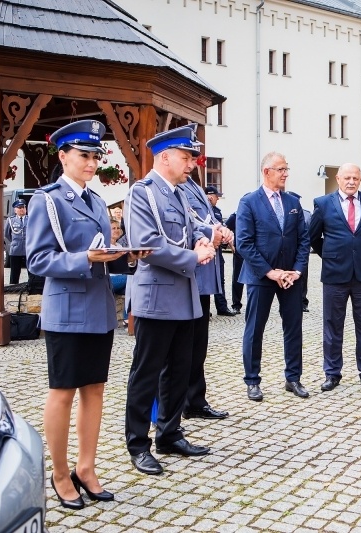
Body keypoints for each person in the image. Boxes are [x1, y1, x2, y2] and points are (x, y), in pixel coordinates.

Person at [26, 120, 142, 509]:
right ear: (63, 156)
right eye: (84, 156)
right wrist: (85, 258)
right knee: (62, 393)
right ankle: (59, 474)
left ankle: (86, 468)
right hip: (67, 308)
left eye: (96, 156)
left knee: (94, 390)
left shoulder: (95, 200)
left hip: (97, 307)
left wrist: (124, 253)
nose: (91, 163)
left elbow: (99, 250)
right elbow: (38, 259)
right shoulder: (48, 200)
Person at [124, 123, 217, 476]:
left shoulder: (179, 193)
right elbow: (147, 243)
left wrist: (206, 241)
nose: (191, 163)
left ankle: (169, 432)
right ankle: (137, 443)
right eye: (185, 156)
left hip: (185, 296)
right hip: (158, 297)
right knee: (146, 373)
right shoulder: (142, 193)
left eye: (191, 157)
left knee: (180, 369)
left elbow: (193, 230)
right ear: (165, 157)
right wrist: (194, 257)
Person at [237, 152, 310, 401]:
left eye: (287, 169)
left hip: (290, 278)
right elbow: (244, 244)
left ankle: (293, 378)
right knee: (255, 329)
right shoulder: (249, 202)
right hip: (261, 277)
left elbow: (303, 240)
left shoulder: (293, 202)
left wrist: (297, 271)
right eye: (281, 169)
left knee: (293, 328)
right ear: (267, 171)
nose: (286, 174)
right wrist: (270, 272)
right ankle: (252, 380)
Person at [309, 163, 361, 393]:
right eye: (347, 178)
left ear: (360, 180)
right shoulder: (322, 204)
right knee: (333, 325)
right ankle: (332, 373)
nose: (351, 182)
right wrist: (331, 255)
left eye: (356, 178)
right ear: (338, 179)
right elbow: (314, 237)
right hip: (334, 274)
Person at [180, 177, 232, 421]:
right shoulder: (175, 187)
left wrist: (220, 228)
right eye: (188, 156)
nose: (192, 162)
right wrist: (212, 231)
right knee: (183, 348)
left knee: (198, 345)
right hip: (188, 275)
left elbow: (206, 219)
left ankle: (195, 400)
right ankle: (177, 405)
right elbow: (190, 224)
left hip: (202, 278)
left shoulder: (192, 184)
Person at [204, 185, 235, 316]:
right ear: (210, 196)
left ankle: (222, 307)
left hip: (217, 252)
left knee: (220, 279)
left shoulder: (217, 211)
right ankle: (205, 309)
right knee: (205, 279)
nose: (218, 199)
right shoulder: (203, 210)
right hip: (206, 250)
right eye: (217, 197)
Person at [287, 191, 312, 312]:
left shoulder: (307, 214)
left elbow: (312, 233)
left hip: (302, 251)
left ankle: (303, 301)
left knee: (302, 277)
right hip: (288, 251)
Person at [224, 211, 245, 315]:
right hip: (240, 252)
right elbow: (224, 229)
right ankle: (236, 305)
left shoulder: (257, 214)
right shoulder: (236, 216)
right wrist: (231, 245)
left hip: (255, 251)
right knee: (238, 278)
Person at [4, 199, 28, 285]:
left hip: (27, 249)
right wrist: (15, 242)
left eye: (24, 207)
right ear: (15, 210)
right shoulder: (11, 220)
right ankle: (13, 288)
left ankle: (32, 288)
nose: (22, 209)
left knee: (31, 271)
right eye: (20, 207)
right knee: (15, 272)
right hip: (16, 249)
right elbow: (7, 234)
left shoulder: (30, 219)